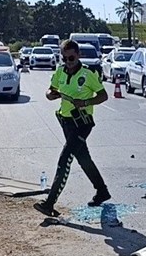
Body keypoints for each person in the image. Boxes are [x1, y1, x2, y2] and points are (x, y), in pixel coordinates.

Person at [35, 39, 111, 217]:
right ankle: (102, 191)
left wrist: (85, 102)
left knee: (64, 160)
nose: (68, 61)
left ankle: (49, 203)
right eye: (65, 58)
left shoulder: (88, 74)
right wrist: (51, 95)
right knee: (83, 158)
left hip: (82, 123)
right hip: (66, 121)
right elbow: (50, 90)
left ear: (78, 55)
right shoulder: (60, 71)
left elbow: (103, 96)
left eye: (71, 57)